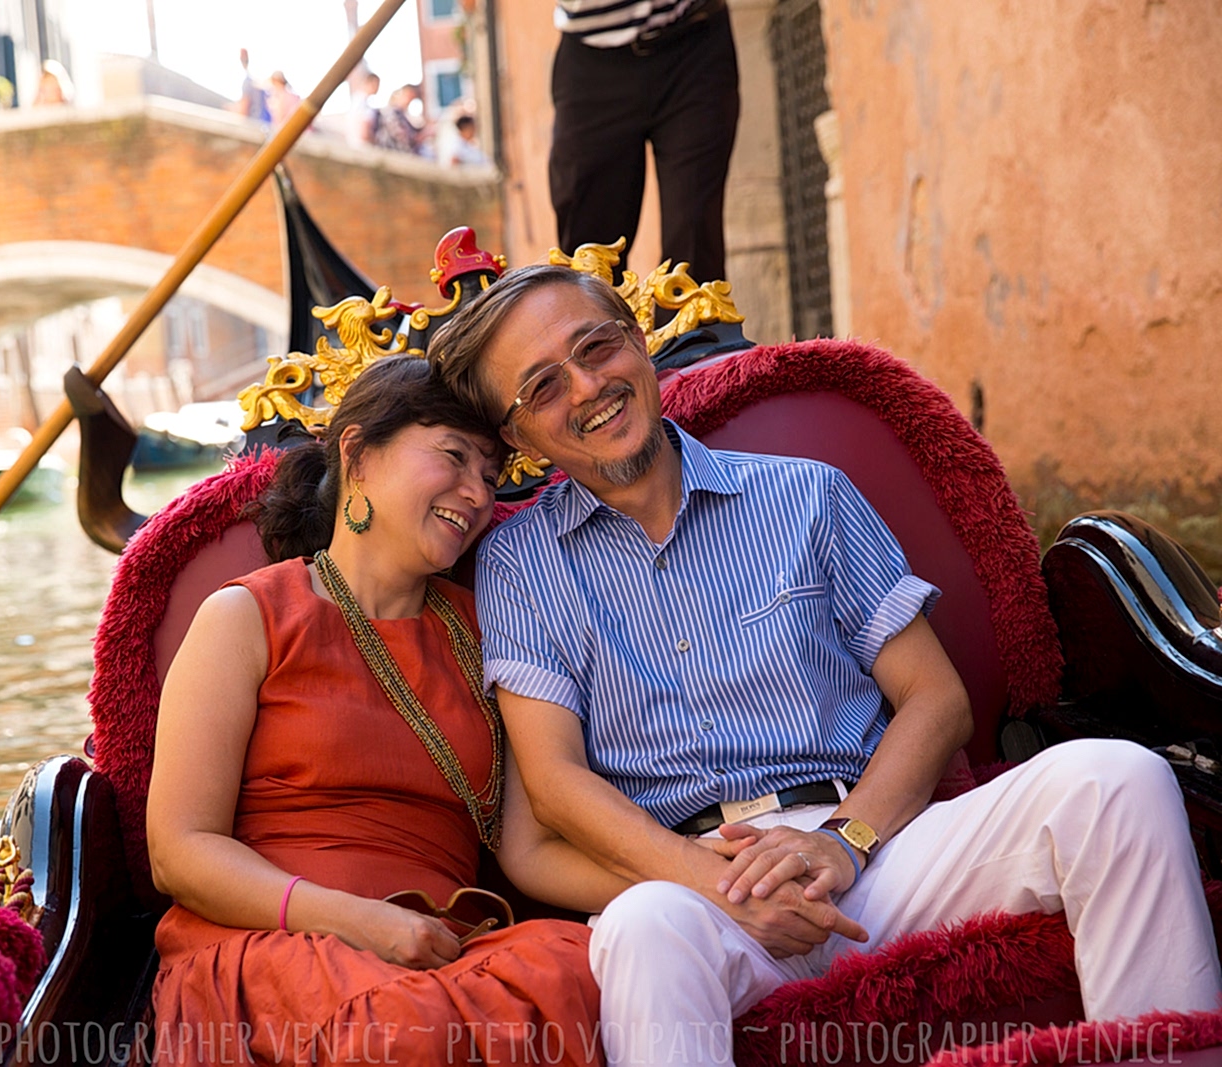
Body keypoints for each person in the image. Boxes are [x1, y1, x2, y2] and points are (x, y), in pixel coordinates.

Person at [426, 264, 1222, 1064]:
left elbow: (935, 699)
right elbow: (556, 783)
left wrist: (846, 841)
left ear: (637, 344)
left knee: (1118, 780)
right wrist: (719, 887)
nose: (588, 385)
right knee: (639, 928)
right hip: (693, 883)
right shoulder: (521, 564)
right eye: (541, 387)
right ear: (519, 438)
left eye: (596, 346)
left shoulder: (808, 494)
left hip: (874, 850)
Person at [145, 357, 628, 1064]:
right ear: (358, 453)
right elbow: (179, 851)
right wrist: (360, 921)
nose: (476, 493)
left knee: (583, 965)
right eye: (454, 456)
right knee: (404, 1025)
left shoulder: (495, 631)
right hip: (268, 946)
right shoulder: (246, 615)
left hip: (439, 949)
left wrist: (695, 875)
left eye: (490, 475)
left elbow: (532, 849)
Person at [549, 0, 740, 282]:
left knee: (694, 236)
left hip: (694, 42)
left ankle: (694, 328)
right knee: (589, 255)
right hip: (592, 60)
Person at [374, 84, 425, 154]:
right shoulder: (391, 113)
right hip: (396, 156)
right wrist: (424, 135)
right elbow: (404, 139)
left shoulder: (401, 114)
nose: (409, 101)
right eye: (409, 97)